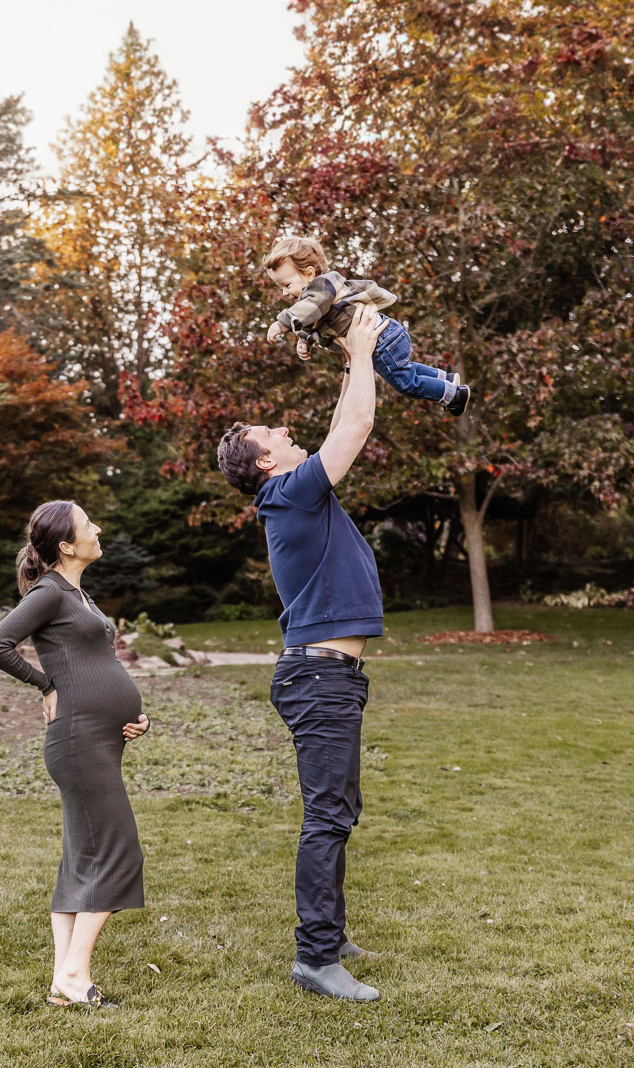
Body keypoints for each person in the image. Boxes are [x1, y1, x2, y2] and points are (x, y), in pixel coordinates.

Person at [216, 303, 388, 1002]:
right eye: (276, 433)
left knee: (336, 810)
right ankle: (315, 958)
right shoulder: (287, 495)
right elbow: (356, 427)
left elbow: (342, 419)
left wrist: (353, 356)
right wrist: (369, 353)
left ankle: (331, 932)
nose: (290, 431)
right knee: (328, 817)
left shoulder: (295, 494)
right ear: (264, 461)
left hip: (327, 677)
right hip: (318, 679)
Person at [0, 500, 151, 1010]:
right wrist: (44, 684)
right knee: (119, 852)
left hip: (99, 737)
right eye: (88, 525)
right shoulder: (49, 591)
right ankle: (76, 975)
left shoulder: (79, 592)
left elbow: (97, 662)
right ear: (67, 546)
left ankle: (63, 980)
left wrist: (138, 715)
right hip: (78, 742)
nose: (98, 528)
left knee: (81, 859)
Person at [263, 234, 471, 417]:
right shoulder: (314, 299)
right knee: (404, 370)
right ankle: (446, 378)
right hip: (385, 335)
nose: (284, 293)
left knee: (406, 383)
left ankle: (453, 395)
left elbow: (311, 308)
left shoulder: (323, 286)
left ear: (309, 273)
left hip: (380, 340)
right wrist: (304, 340)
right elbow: (312, 319)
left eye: (286, 285)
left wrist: (282, 323)